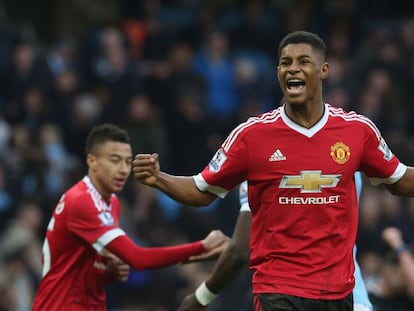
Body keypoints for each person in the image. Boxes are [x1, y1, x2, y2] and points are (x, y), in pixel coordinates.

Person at [133, 30, 414, 311]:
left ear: (324, 70)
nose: (292, 68)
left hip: (337, 291)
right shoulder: (252, 136)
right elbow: (201, 189)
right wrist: (159, 178)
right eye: (285, 62)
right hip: (278, 288)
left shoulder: (357, 131)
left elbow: (400, 180)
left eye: (303, 61)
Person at [31, 123, 229, 311]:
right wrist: (203, 246)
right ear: (92, 161)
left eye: (127, 161)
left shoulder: (112, 203)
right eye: (114, 160)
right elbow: (138, 259)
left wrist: (108, 273)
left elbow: (80, 267)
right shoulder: (82, 201)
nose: (123, 170)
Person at [177, 173, 373, 311]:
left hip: (291, 298)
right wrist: (238, 246)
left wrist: (201, 297)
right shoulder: (346, 151)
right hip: (351, 298)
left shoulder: (262, 160)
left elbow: (240, 253)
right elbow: (312, 235)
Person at [367, 226, 414, 310]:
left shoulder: (406, 301)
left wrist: (398, 244)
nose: (405, 279)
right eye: (402, 274)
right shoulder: (367, 299)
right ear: (385, 270)